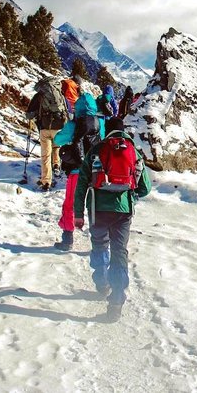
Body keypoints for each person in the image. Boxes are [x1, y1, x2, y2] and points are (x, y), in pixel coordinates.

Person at [74, 117, 151, 322]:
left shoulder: (97, 150)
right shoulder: (133, 152)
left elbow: (81, 183)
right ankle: (116, 301)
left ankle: (102, 283)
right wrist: (129, 193)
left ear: (106, 131)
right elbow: (145, 188)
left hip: (97, 209)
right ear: (123, 131)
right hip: (123, 211)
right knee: (119, 252)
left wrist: (78, 214)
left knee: (99, 245)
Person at [52, 91, 102, 250]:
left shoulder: (73, 125)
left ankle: (67, 239)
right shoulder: (100, 123)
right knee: (97, 206)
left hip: (76, 172)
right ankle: (100, 242)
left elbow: (57, 139)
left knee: (70, 204)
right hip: (96, 172)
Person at [26, 77, 69, 191]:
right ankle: (56, 164)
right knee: (56, 146)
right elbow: (67, 109)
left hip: (45, 128)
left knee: (45, 155)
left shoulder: (39, 95)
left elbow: (29, 114)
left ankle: (46, 181)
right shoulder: (60, 93)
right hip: (59, 127)